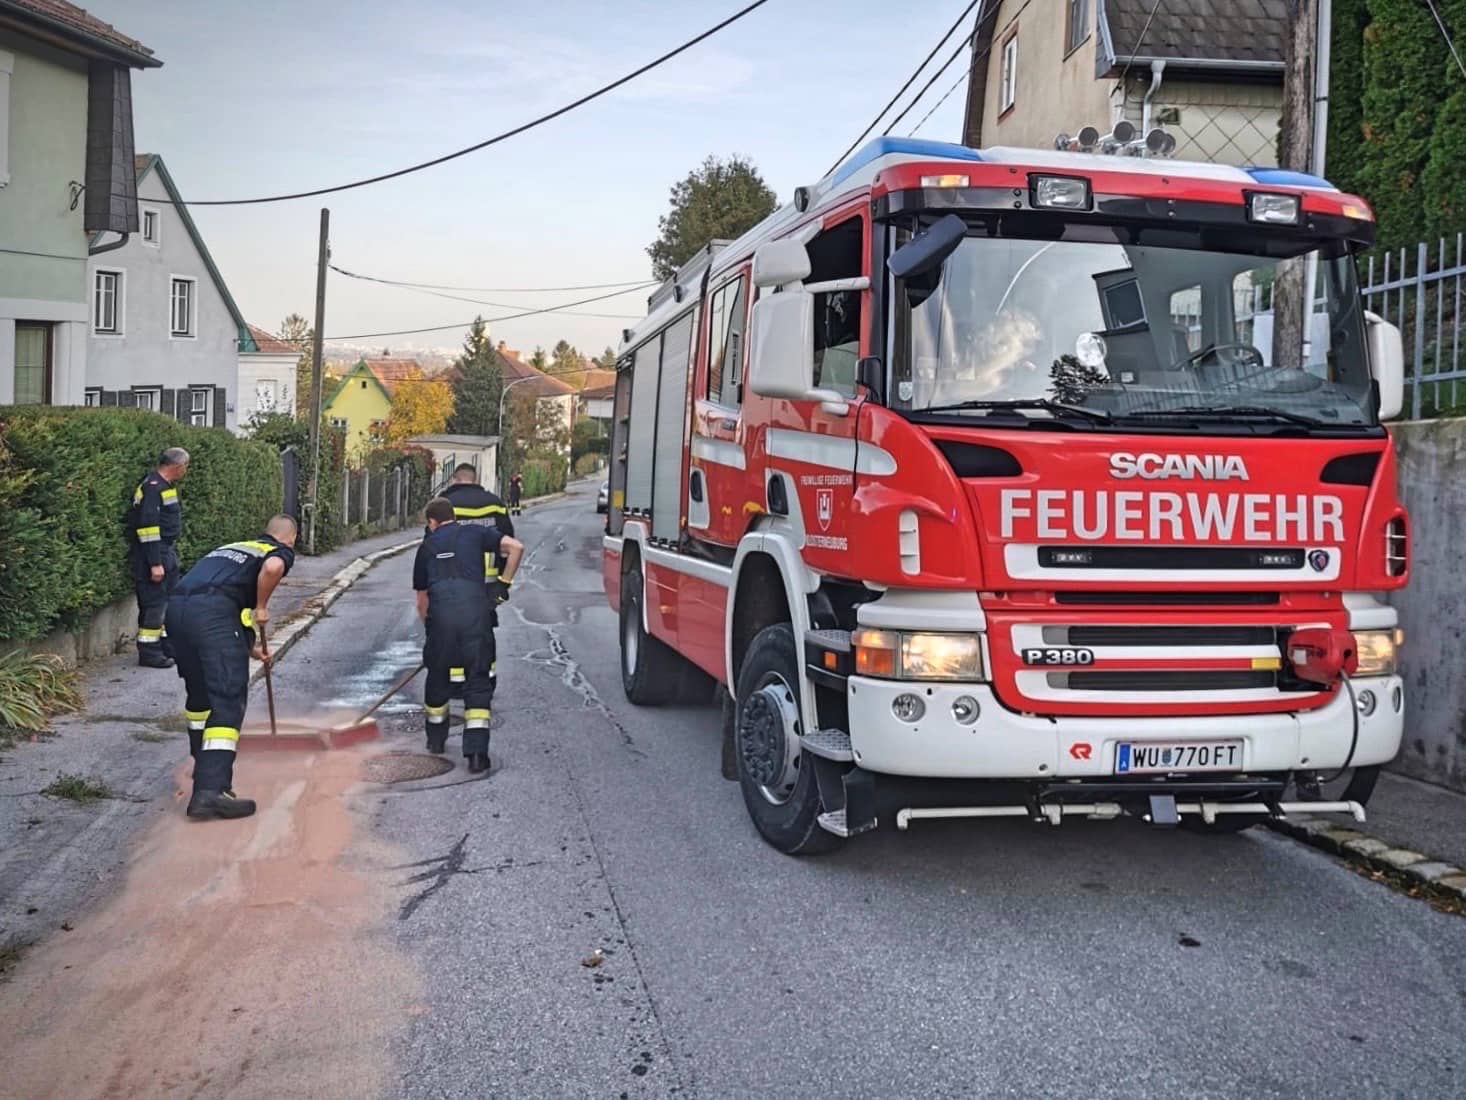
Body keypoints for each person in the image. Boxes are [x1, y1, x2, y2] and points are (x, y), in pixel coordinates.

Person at [165, 516, 298, 820]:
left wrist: (250, 650)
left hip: (177, 612)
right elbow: (273, 569)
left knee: (199, 696)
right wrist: (262, 606)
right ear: (290, 538)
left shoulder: (232, 548)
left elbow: (221, 601)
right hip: (213, 616)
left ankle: (203, 763)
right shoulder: (278, 551)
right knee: (226, 698)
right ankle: (210, 792)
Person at [414, 497, 523, 773]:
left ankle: (436, 741)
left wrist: (429, 629)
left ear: (432, 522)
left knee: (437, 679)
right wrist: (503, 585)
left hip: (441, 622)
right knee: (477, 684)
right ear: (453, 516)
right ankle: (476, 755)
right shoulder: (475, 533)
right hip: (476, 619)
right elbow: (515, 547)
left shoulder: (427, 547)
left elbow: (422, 599)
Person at [440, 463, 514, 695]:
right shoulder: (495, 503)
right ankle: (485, 679)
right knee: (483, 632)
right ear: (476, 479)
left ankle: (455, 682)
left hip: (452, 583)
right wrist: (503, 583)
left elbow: (432, 546)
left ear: (454, 479)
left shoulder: (444, 504)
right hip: (487, 585)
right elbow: (508, 544)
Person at [128, 448, 189, 668]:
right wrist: (155, 563)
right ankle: (149, 652)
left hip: (166, 551)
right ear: (177, 465)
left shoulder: (165, 487)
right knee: (154, 604)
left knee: (167, 602)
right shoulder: (152, 488)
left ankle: (164, 647)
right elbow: (148, 528)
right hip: (154, 554)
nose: (185, 470)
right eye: (185, 466)